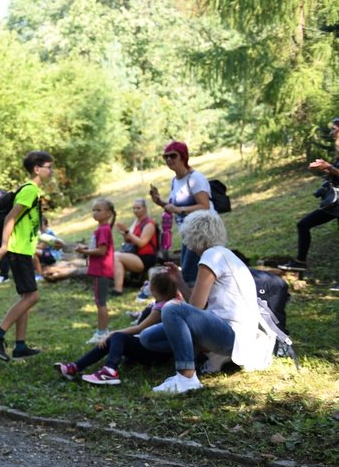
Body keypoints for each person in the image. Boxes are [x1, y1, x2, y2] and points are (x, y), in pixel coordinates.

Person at [138, 211, 274, 394]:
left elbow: (195, 306)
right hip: (228, 330)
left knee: (171, 308)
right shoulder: (223, 254)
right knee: (148, 337)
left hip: (233, 335)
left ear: (194, 234)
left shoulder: (211, 256)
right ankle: (199, 356)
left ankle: (186, 377)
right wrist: (178, 280)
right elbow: (197, 305)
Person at [0, 150, 54, 361]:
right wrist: (4, 247)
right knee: (33, 296)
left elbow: (28, 226)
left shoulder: (34, 192)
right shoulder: (30, 190)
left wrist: (50, 240)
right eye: (48, 167)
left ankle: (20, 346)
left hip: (23, 249)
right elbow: (10, 218)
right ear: (37, 169)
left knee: (26, 297)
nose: (51, 171)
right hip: (17, 250)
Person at [53, 270, 178, 386]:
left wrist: (111, 333)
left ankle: (110, 371)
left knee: (117, 336)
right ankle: (74, 367)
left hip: (157, 353)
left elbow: (139, 328)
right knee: (114, 339)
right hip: (152, 347)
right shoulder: (170, 299)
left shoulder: (161, 308)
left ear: (154, 289)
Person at [148, 141, 214, 285]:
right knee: (190, 275)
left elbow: (204, 206)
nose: (169, 160)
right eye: (166, 157)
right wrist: (159, 201)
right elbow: (174, 207)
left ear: (183, 157)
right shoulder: (175, 180)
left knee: (191, 275)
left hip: (201, 234)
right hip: (188, 234)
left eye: (173, 156)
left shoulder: (195, 178)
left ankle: (196, 305)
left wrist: (179, 210)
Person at [280, 117, 339, 272]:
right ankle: (300, 262)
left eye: (334, 128)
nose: (332, 132)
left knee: (304, 224)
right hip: (335, 203)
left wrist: (330, 167)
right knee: (303, 224)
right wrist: (323, 169)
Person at [74, 199, 116, 344]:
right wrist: (86, 250)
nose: (95, 213)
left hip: (102, 270)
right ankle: (102, 331)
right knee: (99, 301)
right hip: (100, 270)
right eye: (93, 210)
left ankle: (101, 333)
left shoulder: (103, 230)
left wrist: (84, 251)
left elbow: (101, 251)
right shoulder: (101, 229)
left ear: (108, 213)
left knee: (101, 302)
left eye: (98, 210)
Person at [112, 198, 159, 295]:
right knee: (114, 256)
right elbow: (129, 240)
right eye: (134, 208)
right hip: (134, 255)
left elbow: (141, 243)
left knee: (115, 256)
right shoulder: (136, 222)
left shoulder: (149, 224)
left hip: (146, 258)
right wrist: (123, 233)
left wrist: (127, 231)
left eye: (138, 208)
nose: (135, 210)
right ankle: (123, 284)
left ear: (145, 209)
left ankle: (118, 289)